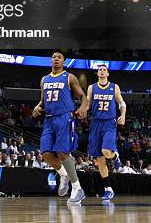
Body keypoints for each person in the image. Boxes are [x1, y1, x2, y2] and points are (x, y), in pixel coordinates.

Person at [32, 51, 88, 205]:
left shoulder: (69, 77)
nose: (56, 59)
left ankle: (77, 189)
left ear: (64, 62)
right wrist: (37, 107)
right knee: (45, 153)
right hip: (49, 120)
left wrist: (83, 108)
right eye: (53, 57)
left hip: (65, 117)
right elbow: (42, 101)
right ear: (51, 61)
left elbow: (83, 97)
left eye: (59, 57)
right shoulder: (44, 79)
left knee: (62, 152)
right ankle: (64, 175)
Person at [87, 64, 125, 201]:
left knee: (106, 151)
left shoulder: (114, 87)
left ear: (107, 74)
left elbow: (122, 103)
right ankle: (108, 189)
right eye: (100, 70)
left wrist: (123, 115)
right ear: (97, 73)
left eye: (104, 70)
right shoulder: (92, 87)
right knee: (100, 160)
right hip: (95, 123)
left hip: (109, 122)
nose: (102, 72)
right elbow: (87, 104)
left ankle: (115, 157)